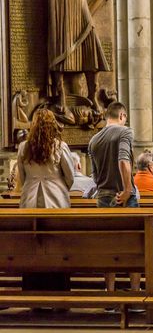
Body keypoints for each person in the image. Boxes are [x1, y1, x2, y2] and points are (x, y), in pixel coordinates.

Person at [17, 108, 74, 293]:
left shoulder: (24, 147)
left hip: (30, 198)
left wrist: (32, 184)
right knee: (57, 244)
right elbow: (70, 176)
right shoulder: (59, 146)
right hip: (55, 198)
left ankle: (33, 292)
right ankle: (59, 292)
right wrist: (58, 185)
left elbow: (22, 176)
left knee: (33, 245)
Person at [88, 102, 141, 297]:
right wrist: (127, 189)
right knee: (134, 245)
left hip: (103, 195)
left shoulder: (94, 139)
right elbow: (123, 160)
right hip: (123, 196)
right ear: (122, 116)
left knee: (109, 246)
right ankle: (135, 292)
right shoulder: (124, 132)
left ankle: (109, 292)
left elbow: (94, 175)